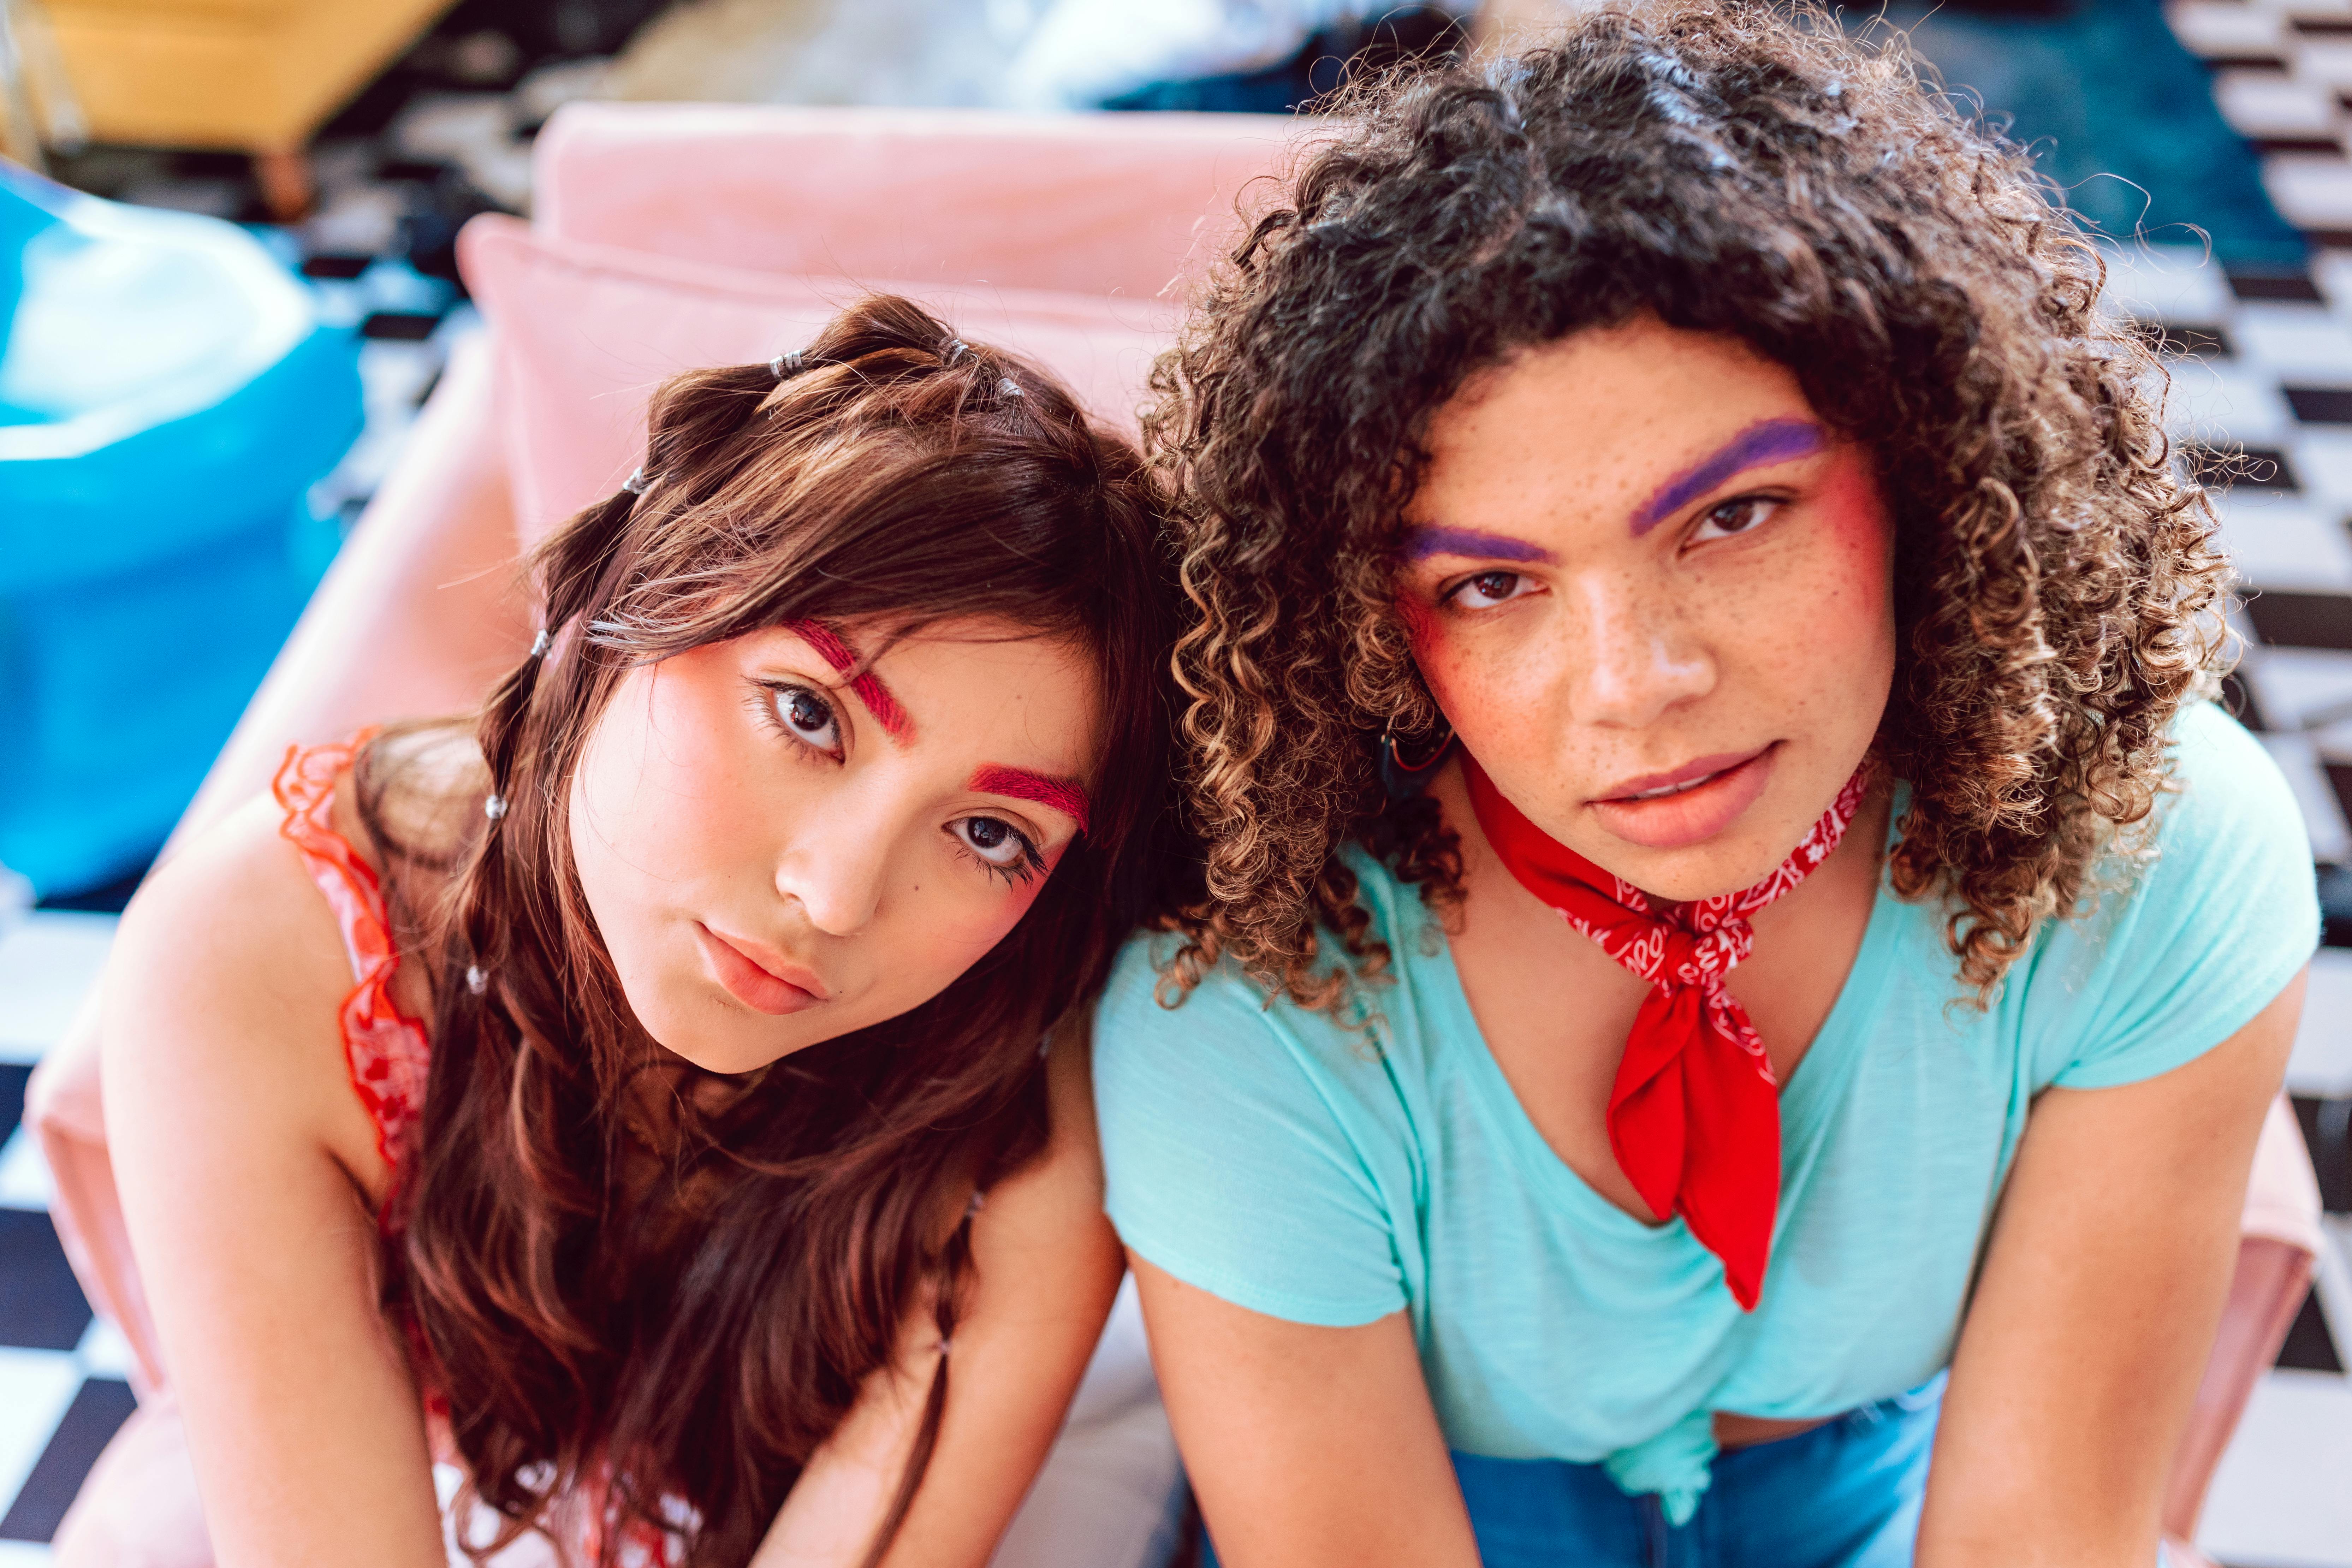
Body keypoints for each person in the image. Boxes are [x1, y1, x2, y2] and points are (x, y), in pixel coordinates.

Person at [1092, 7, 2320, 1566]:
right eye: (1488, 587)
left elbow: (2037, 1536)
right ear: (1368, 618)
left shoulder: (2156, 848)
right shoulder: (1247, 979)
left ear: (1928, 471)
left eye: (1734, 517)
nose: (1637, 684)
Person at [83, 296, 1177, 1568]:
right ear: (619, 607)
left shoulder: (1026, 1089)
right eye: (809, 715)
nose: (834, 897)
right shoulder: (273, 951)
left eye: (991, 834)